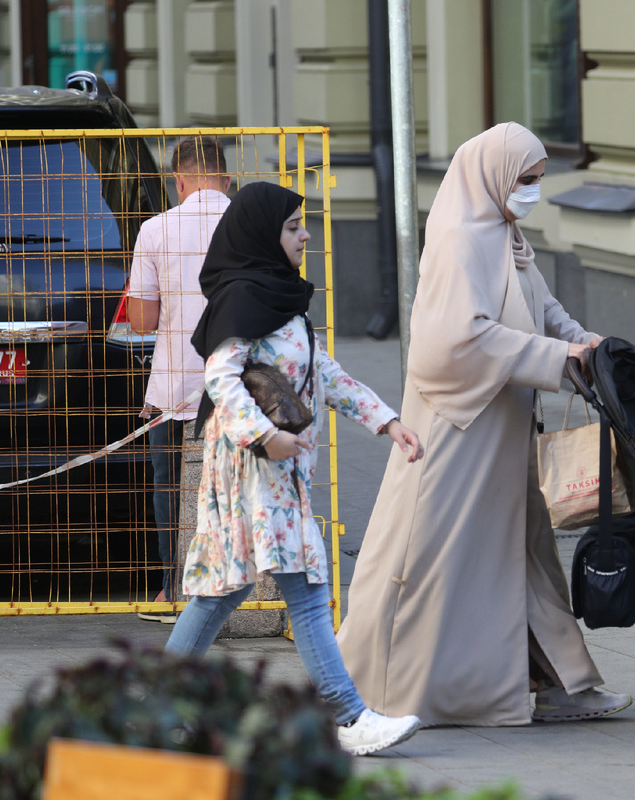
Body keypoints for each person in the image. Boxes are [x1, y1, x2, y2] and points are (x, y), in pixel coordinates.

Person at [335, 122, 631, 727]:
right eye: (526, 179)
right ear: (494, 175)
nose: (532, 190)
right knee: (432, 559)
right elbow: (450, 341)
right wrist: (556, 358)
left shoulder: (505, 233)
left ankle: (563, 684)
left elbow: (540, 306)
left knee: (524, 553)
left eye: (538, 179)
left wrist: (583, 343)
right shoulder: (457, 238)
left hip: (502, 426)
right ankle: (381, 687)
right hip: (458, 430)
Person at [165, 181, 425, 757]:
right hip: (253, 469)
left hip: (276, 469)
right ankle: (349, 717)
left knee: (221, 593)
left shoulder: (280, 297)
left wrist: (386, 421)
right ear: (262, 233)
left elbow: (321, 371)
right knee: (305, 587)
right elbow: (219, 378)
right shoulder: (242, 298)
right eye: (292, 226)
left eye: (302, 224)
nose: (305, 234)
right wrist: (264, 435)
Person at [127, 136, 231, 622]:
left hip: (174, 385)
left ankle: (172, 590)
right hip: (238, 385)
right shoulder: (250, 224)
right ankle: (234, 590)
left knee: (168, 486)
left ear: (179, 180)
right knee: (230, 486)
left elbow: (143, 322)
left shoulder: (155, 229)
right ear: (227, 180)